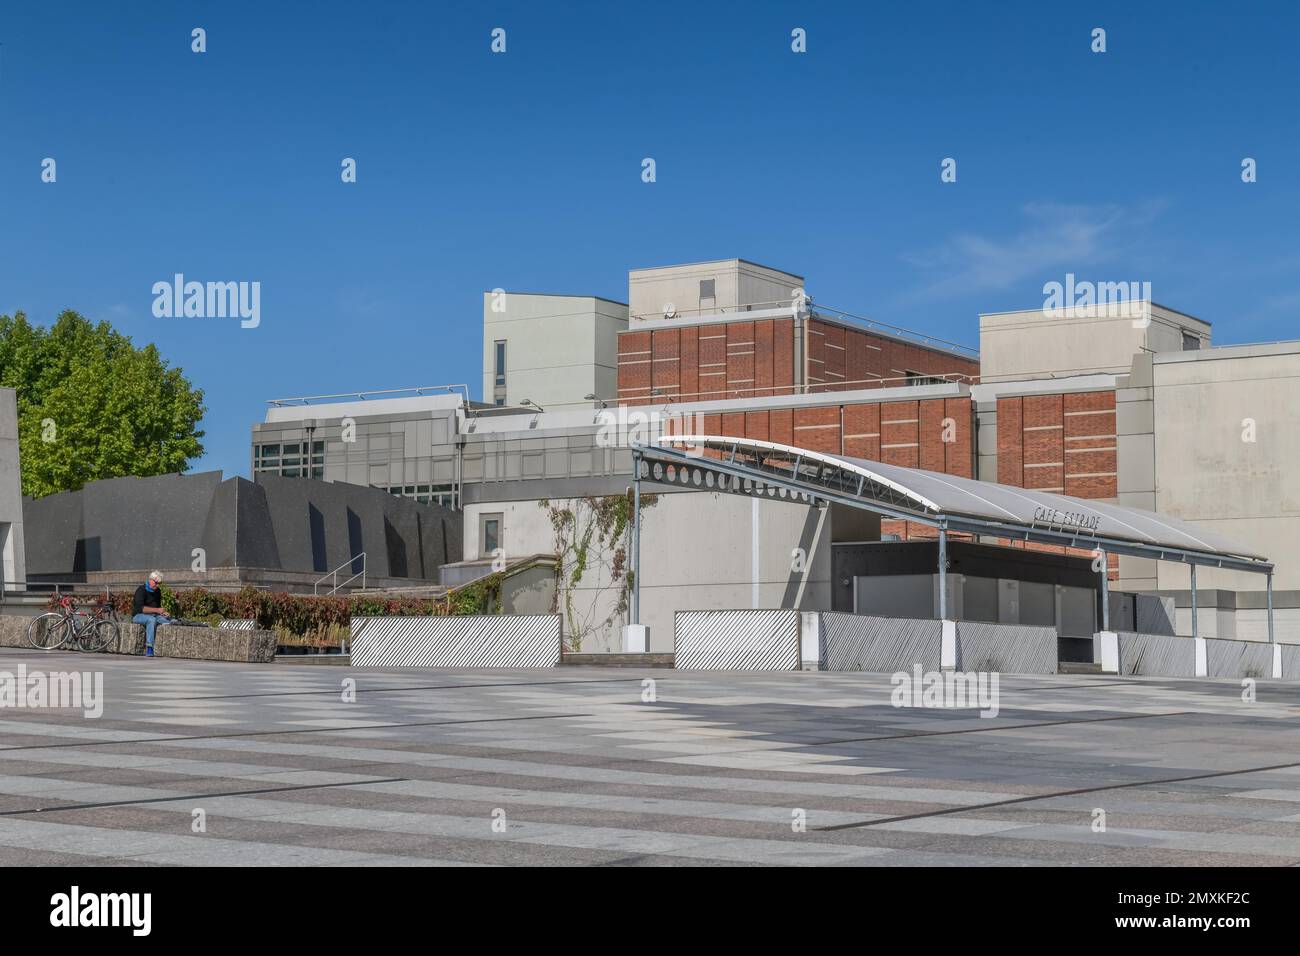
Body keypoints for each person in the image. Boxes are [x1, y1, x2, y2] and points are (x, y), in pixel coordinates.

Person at [131, 571, 172, 657]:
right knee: (151, 620)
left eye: (159, 583)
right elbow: (140, 608)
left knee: (170, 621)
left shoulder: (158, 591)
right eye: (156, 583)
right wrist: (157, 610)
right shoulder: (141, 590)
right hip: (138, 615)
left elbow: (157, 608)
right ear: (150, 580)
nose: (158, 585)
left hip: (154, 615)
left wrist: (163, 613)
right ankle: (149, 647)